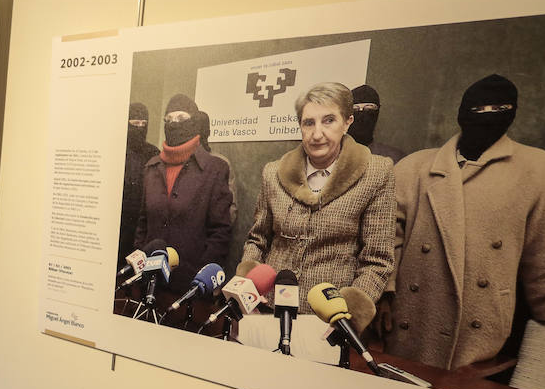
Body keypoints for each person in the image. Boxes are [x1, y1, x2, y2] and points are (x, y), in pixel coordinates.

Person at [383, 74, 545, 370]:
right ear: (461, 113)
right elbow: (387, 240)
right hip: (412, 316)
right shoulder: (414, 167)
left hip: (481, 324)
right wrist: (383, 293)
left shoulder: (538, 170)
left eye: (498, 109)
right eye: (478, 110)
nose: (487, 118)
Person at [239, 82, 395, 322]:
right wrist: (249, 290)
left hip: (329, 319)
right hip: (268, 308)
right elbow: (257, 241)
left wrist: (347, 318)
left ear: (347, 122)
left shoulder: (376, 173)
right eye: (308, 122)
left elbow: (377, 260)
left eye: (329, 120)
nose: (317, 133)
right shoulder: (273, 173)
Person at [133, 93, 234, 291]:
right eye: (169, 119)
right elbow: (142, 224)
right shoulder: (151, 167)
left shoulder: (215, 168)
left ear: (194, 122)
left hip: (190, 285)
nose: (174, 124)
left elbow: (220, 233)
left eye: (181, 118)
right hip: (150, 281)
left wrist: (199, 277)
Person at [119, 103, 158, 268]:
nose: (140, 128)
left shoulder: (153, 153)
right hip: (119, 225)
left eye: (143, 124)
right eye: (135, 124)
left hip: (142, 226)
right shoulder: (117, 150)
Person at [350, 84, 406, 163]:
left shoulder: (394, 157)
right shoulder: (333, 153)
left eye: (369, 109)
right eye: (355, 109)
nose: (361, 113)